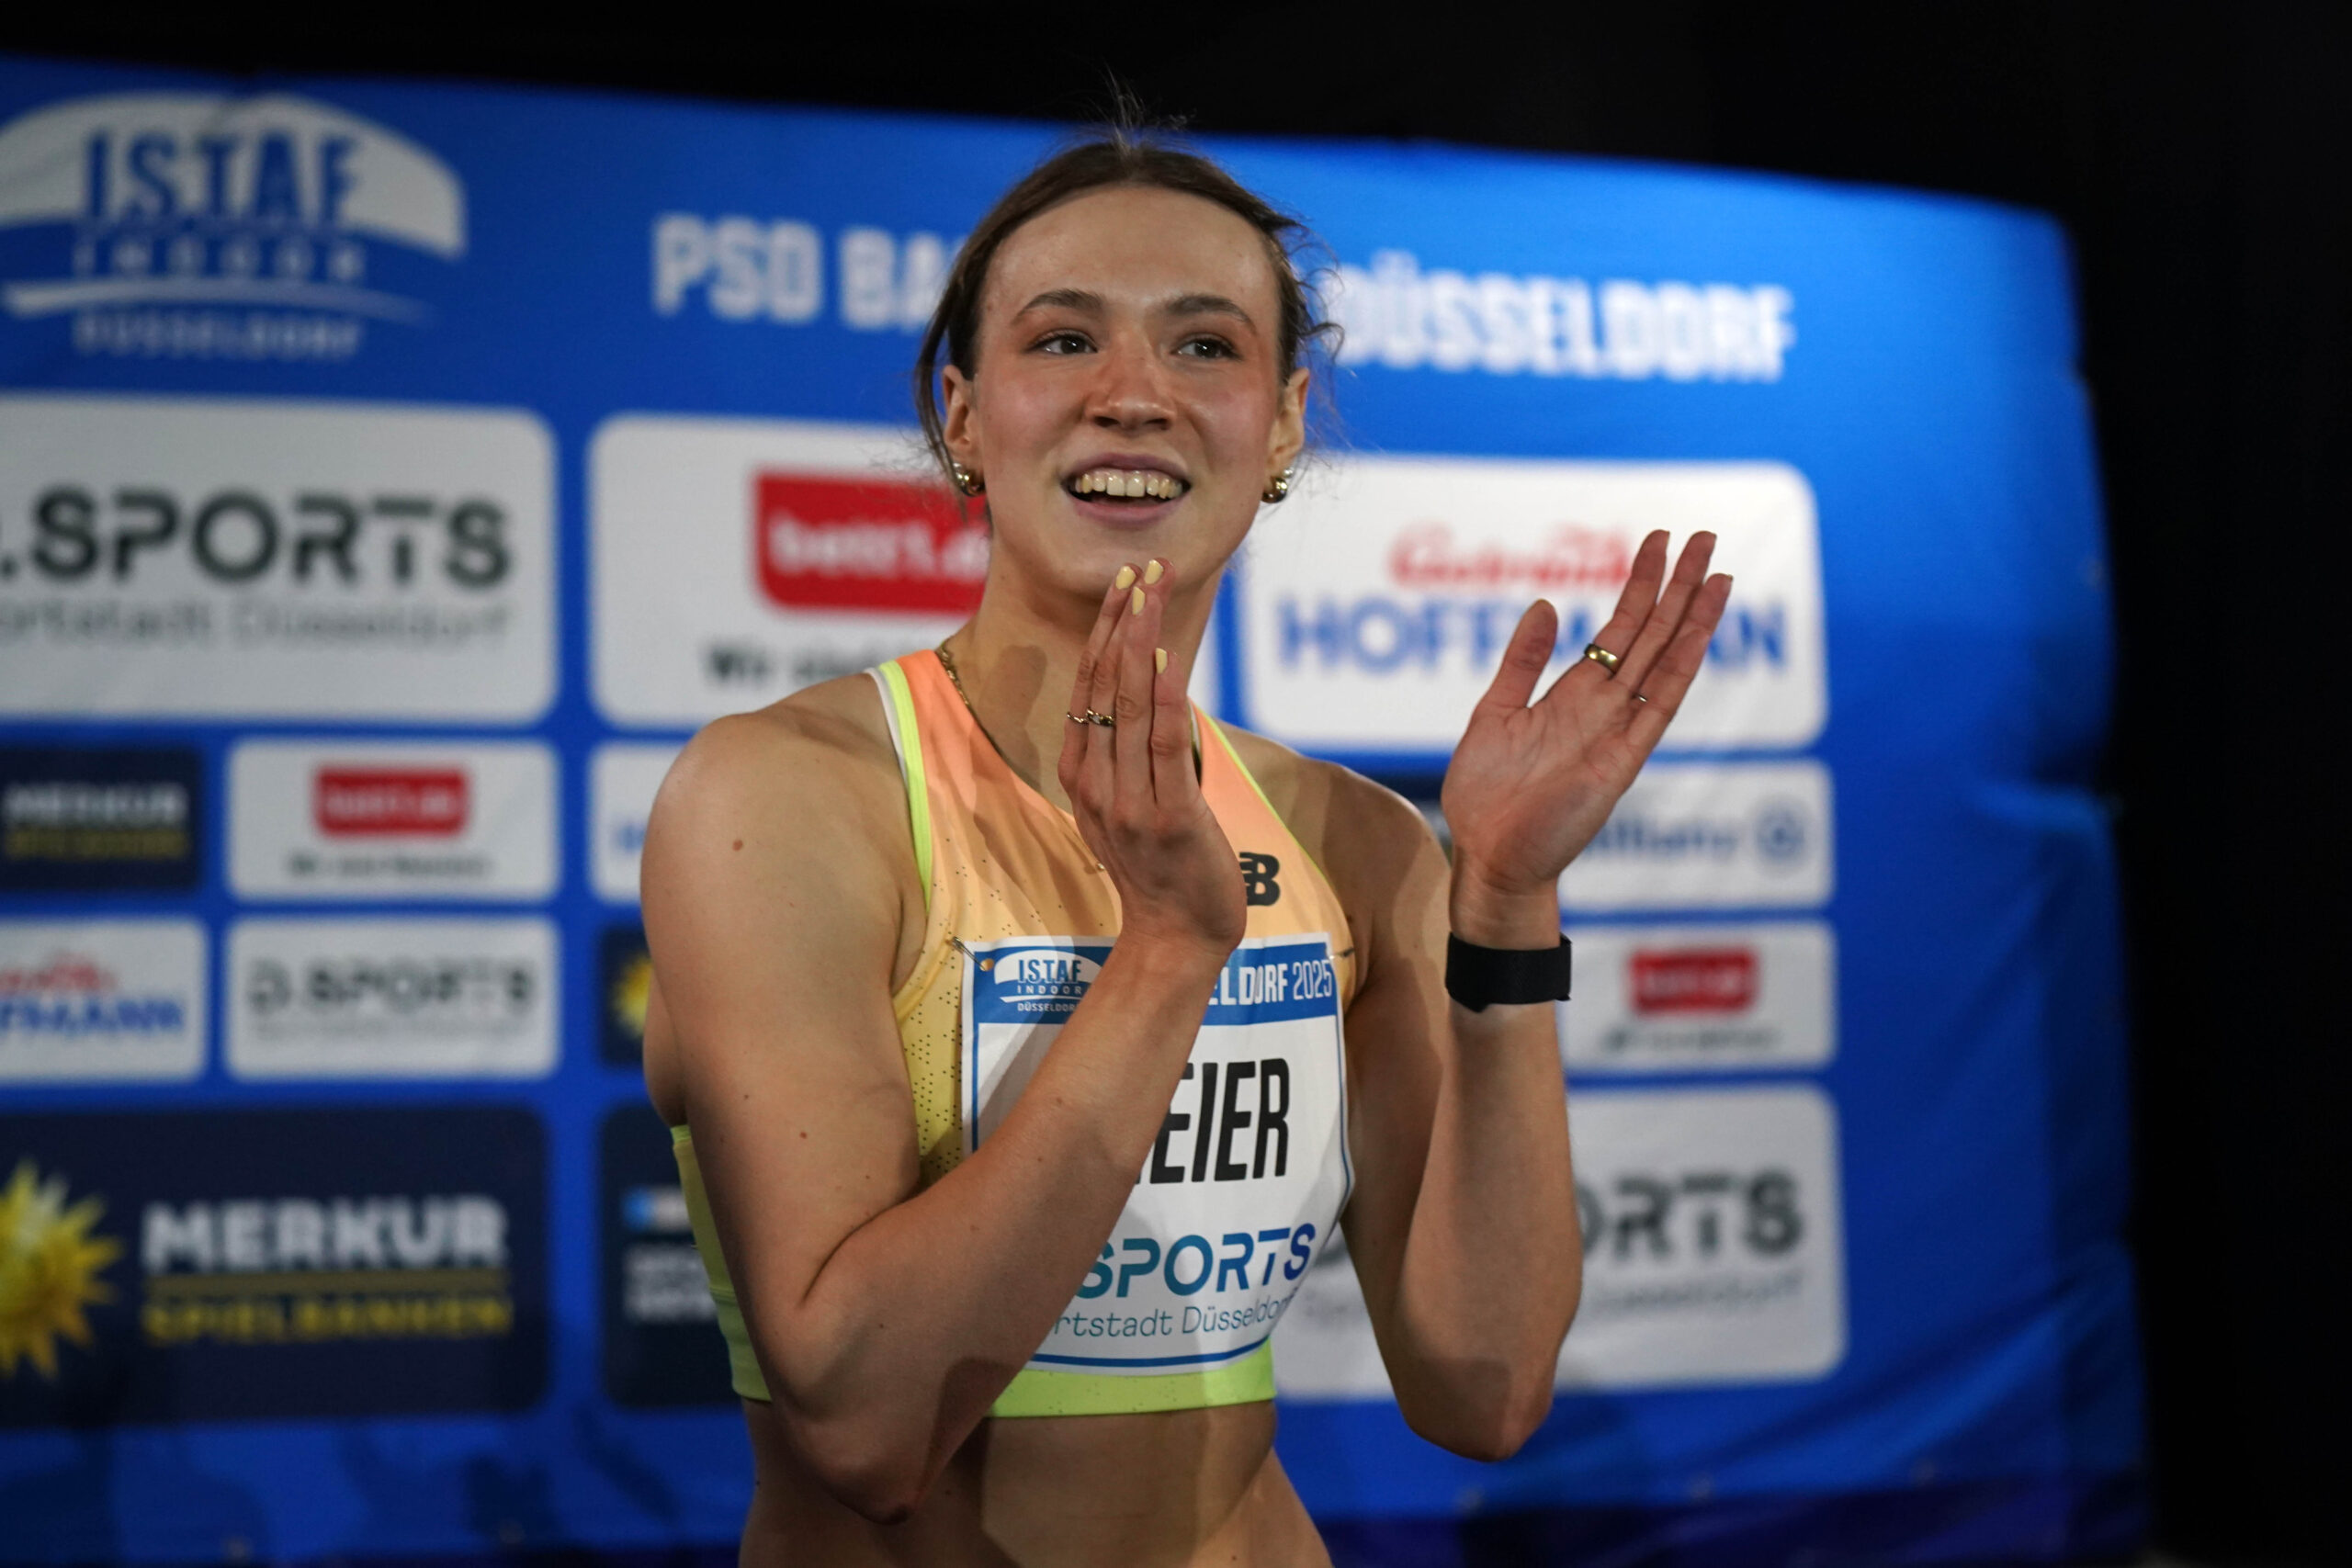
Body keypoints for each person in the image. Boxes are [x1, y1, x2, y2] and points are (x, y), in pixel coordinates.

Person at [639, 129, 1731, 1566]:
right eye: (1066, 338)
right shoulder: (787, 801)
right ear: (962, 415)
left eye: (1204, 347)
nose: (1134, 396)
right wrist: (1165, 956)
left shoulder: (1356, 838)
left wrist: (1507, 910)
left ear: (1281, 427)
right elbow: (867, 1431)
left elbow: (1485, 1387)